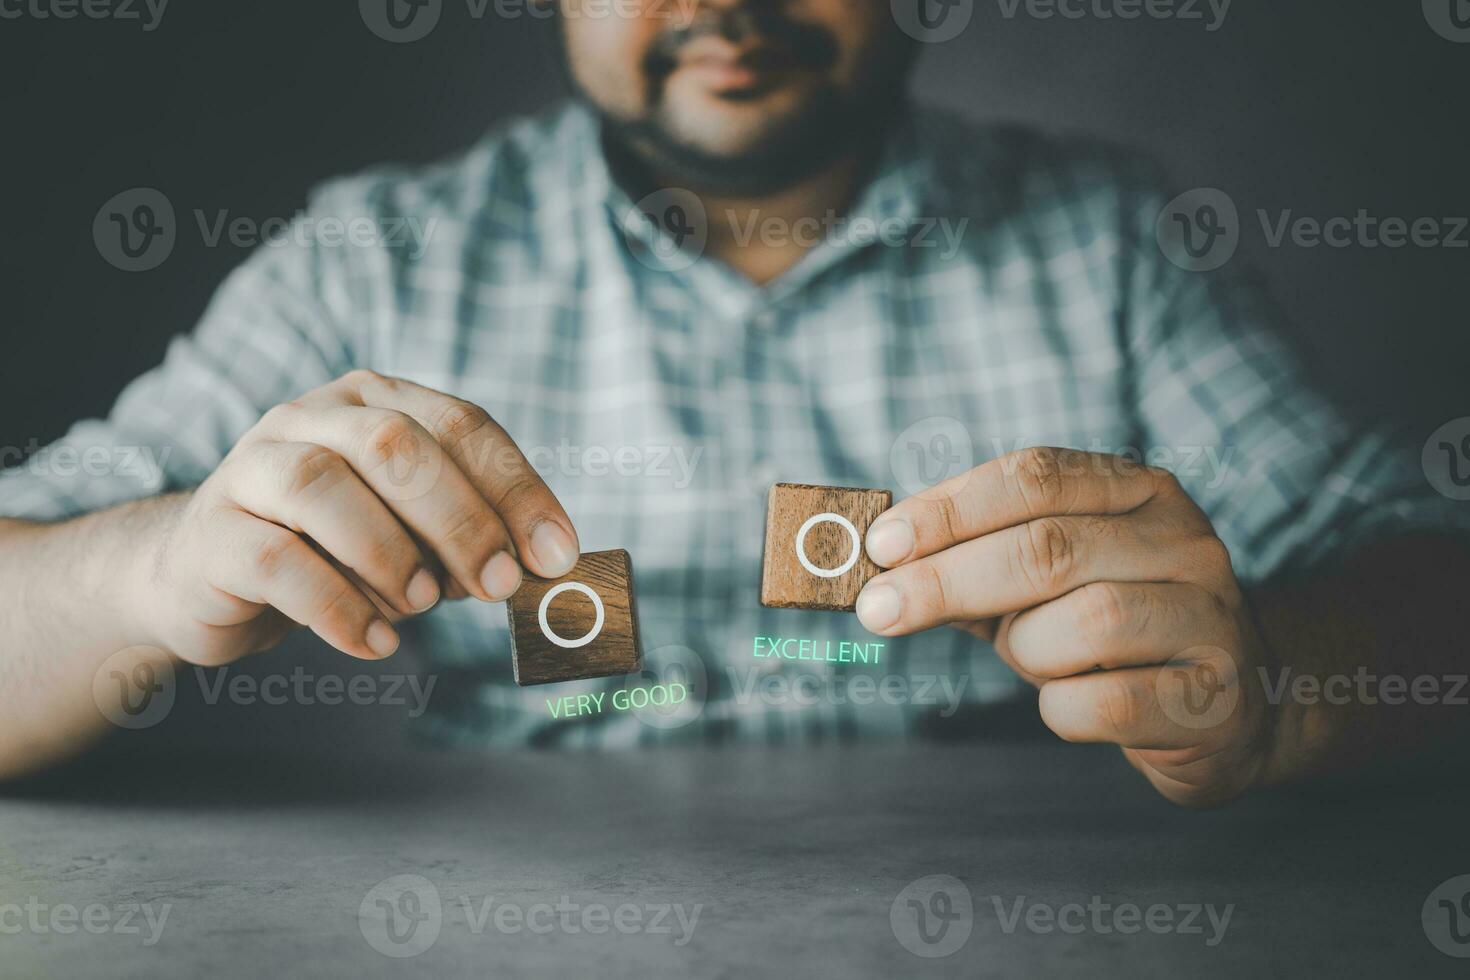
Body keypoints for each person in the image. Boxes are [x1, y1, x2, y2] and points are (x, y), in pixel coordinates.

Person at [1, 0, 1465, 806]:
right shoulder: (369, 259)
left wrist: (1276, 683)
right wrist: (138, 564)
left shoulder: (1107, 239)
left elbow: (1431, 591)